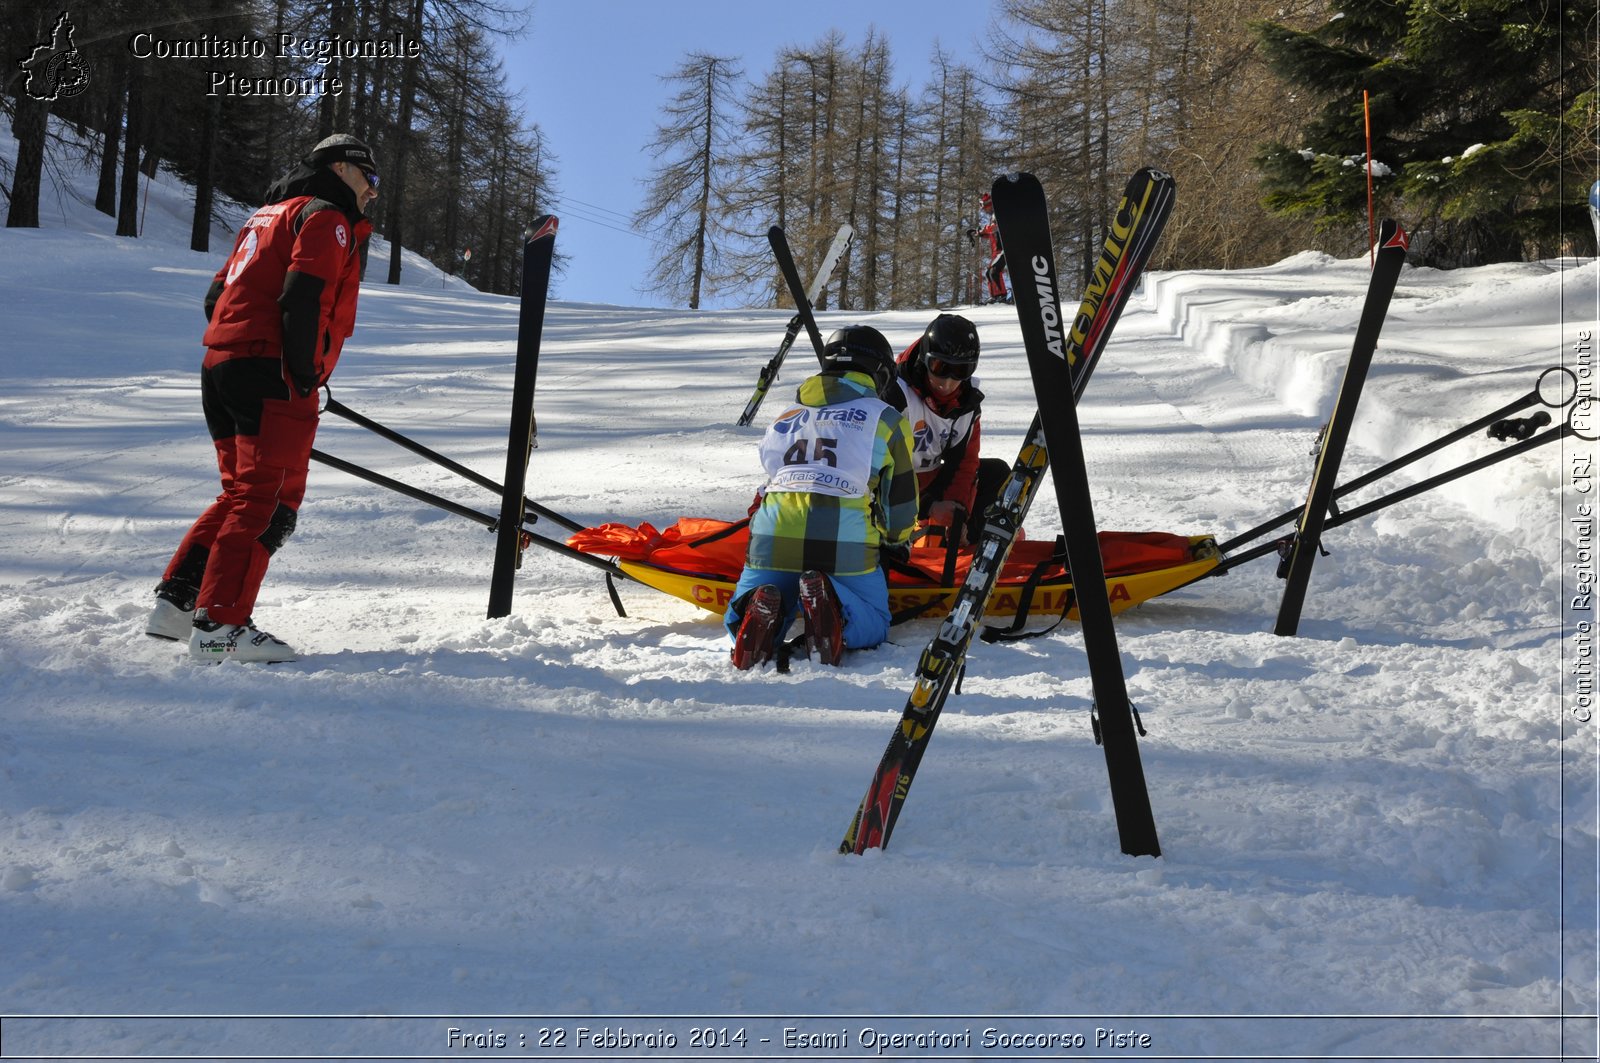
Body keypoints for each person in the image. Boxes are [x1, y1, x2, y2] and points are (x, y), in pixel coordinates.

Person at [144, 134, 379, 663]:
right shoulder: (327, 218)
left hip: (222, 364)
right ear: (342, 169)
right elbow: (305, 294)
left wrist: (244, 346)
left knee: (240, 492)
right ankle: (221, 627)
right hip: (272, 370)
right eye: (370, 177)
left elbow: (215, 295)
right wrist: (302, 372)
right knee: (268, 499)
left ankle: (179, 605)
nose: (373, 192)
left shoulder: (266, 216)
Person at [725, 325, 919, 669]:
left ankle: (755, 610)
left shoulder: (786, 415)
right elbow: (900, 504)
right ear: (882, 373)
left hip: (773, 537)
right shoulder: (885, 418)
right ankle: (832, 610)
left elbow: (771, 481)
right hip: (844, 545)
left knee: (750, 602)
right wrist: (897, 539)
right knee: (874, 619)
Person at [890, 313, 1010, 546]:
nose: (947, 382)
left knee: (997, 474)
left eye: (961, 371)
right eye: (939, 367)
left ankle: (971, 545)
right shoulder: (896, 394)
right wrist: (928, 507)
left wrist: (957, 514)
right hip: (895, 489)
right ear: (925, 360)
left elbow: (965, 463)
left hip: (932, 481)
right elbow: (878, 471)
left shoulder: (966, 405)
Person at [968, 192, 1009, 304]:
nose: (984, 211)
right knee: (989, 273)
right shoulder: (993, 216)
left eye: (984, 208)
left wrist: (981, 231)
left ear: (989, 205)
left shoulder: (997, 213)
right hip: (996, 250)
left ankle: (1002, 296)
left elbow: (993, 227)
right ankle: (995, 296)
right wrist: (979, 234)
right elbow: (992, 233)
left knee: (994, 272)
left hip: (1003, 249)